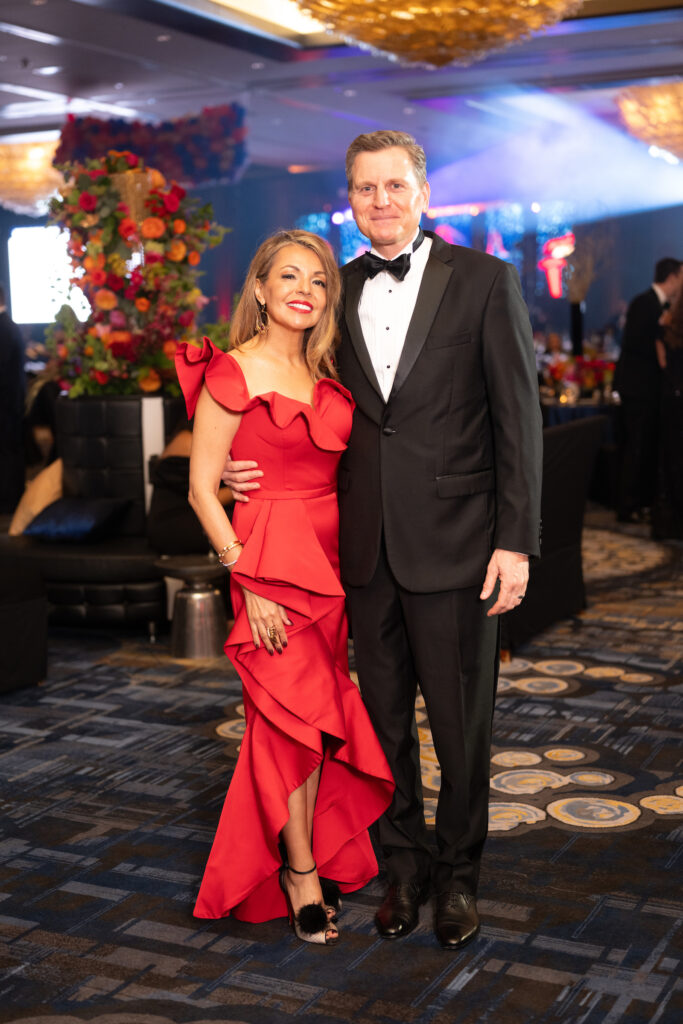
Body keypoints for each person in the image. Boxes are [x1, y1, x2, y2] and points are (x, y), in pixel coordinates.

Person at [224, 131, 542, 951]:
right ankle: (402, 868)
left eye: (395, 186)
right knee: (381, 723)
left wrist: (516, 541)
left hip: (460, 546)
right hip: (359, 553)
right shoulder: (334, 292)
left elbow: (518, 421)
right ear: (351, 199)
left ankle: (459, 877)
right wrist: (234, 475)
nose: (382, 202)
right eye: (365, 189)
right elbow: (277, 393)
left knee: (461, 723)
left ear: (423, 192)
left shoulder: (485, 281)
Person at [174, 229, 393, 946]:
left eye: (319, 279)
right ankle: (300, 870)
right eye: (288, 276)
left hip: (328, 572)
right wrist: (247, 573)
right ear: (261, 290)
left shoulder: (329, 371)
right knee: (282, 721)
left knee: (309, 720)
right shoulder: (231, 372)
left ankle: (303, 856)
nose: (304, 289)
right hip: (264, 565)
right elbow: (202, 490)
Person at [614, 258, 683, 523]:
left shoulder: (659, 306)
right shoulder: (645, 303)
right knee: (636, 446)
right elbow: (635, 344)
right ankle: (627, 506)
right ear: (673, 277)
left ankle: (639, 502)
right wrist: (662, 330)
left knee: (644, 446)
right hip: (638, 389)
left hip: (648, 390)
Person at [653, 292, 683, 538]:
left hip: (672, 399)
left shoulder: (666, 326)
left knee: (673, 460)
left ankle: (675, 520)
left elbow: (663, 363)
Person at [0, 285, 26, 514]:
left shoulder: (3, 329)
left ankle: (9, 503)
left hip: (5, 402)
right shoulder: (10, 326)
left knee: (7, 453)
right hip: (12, 400)